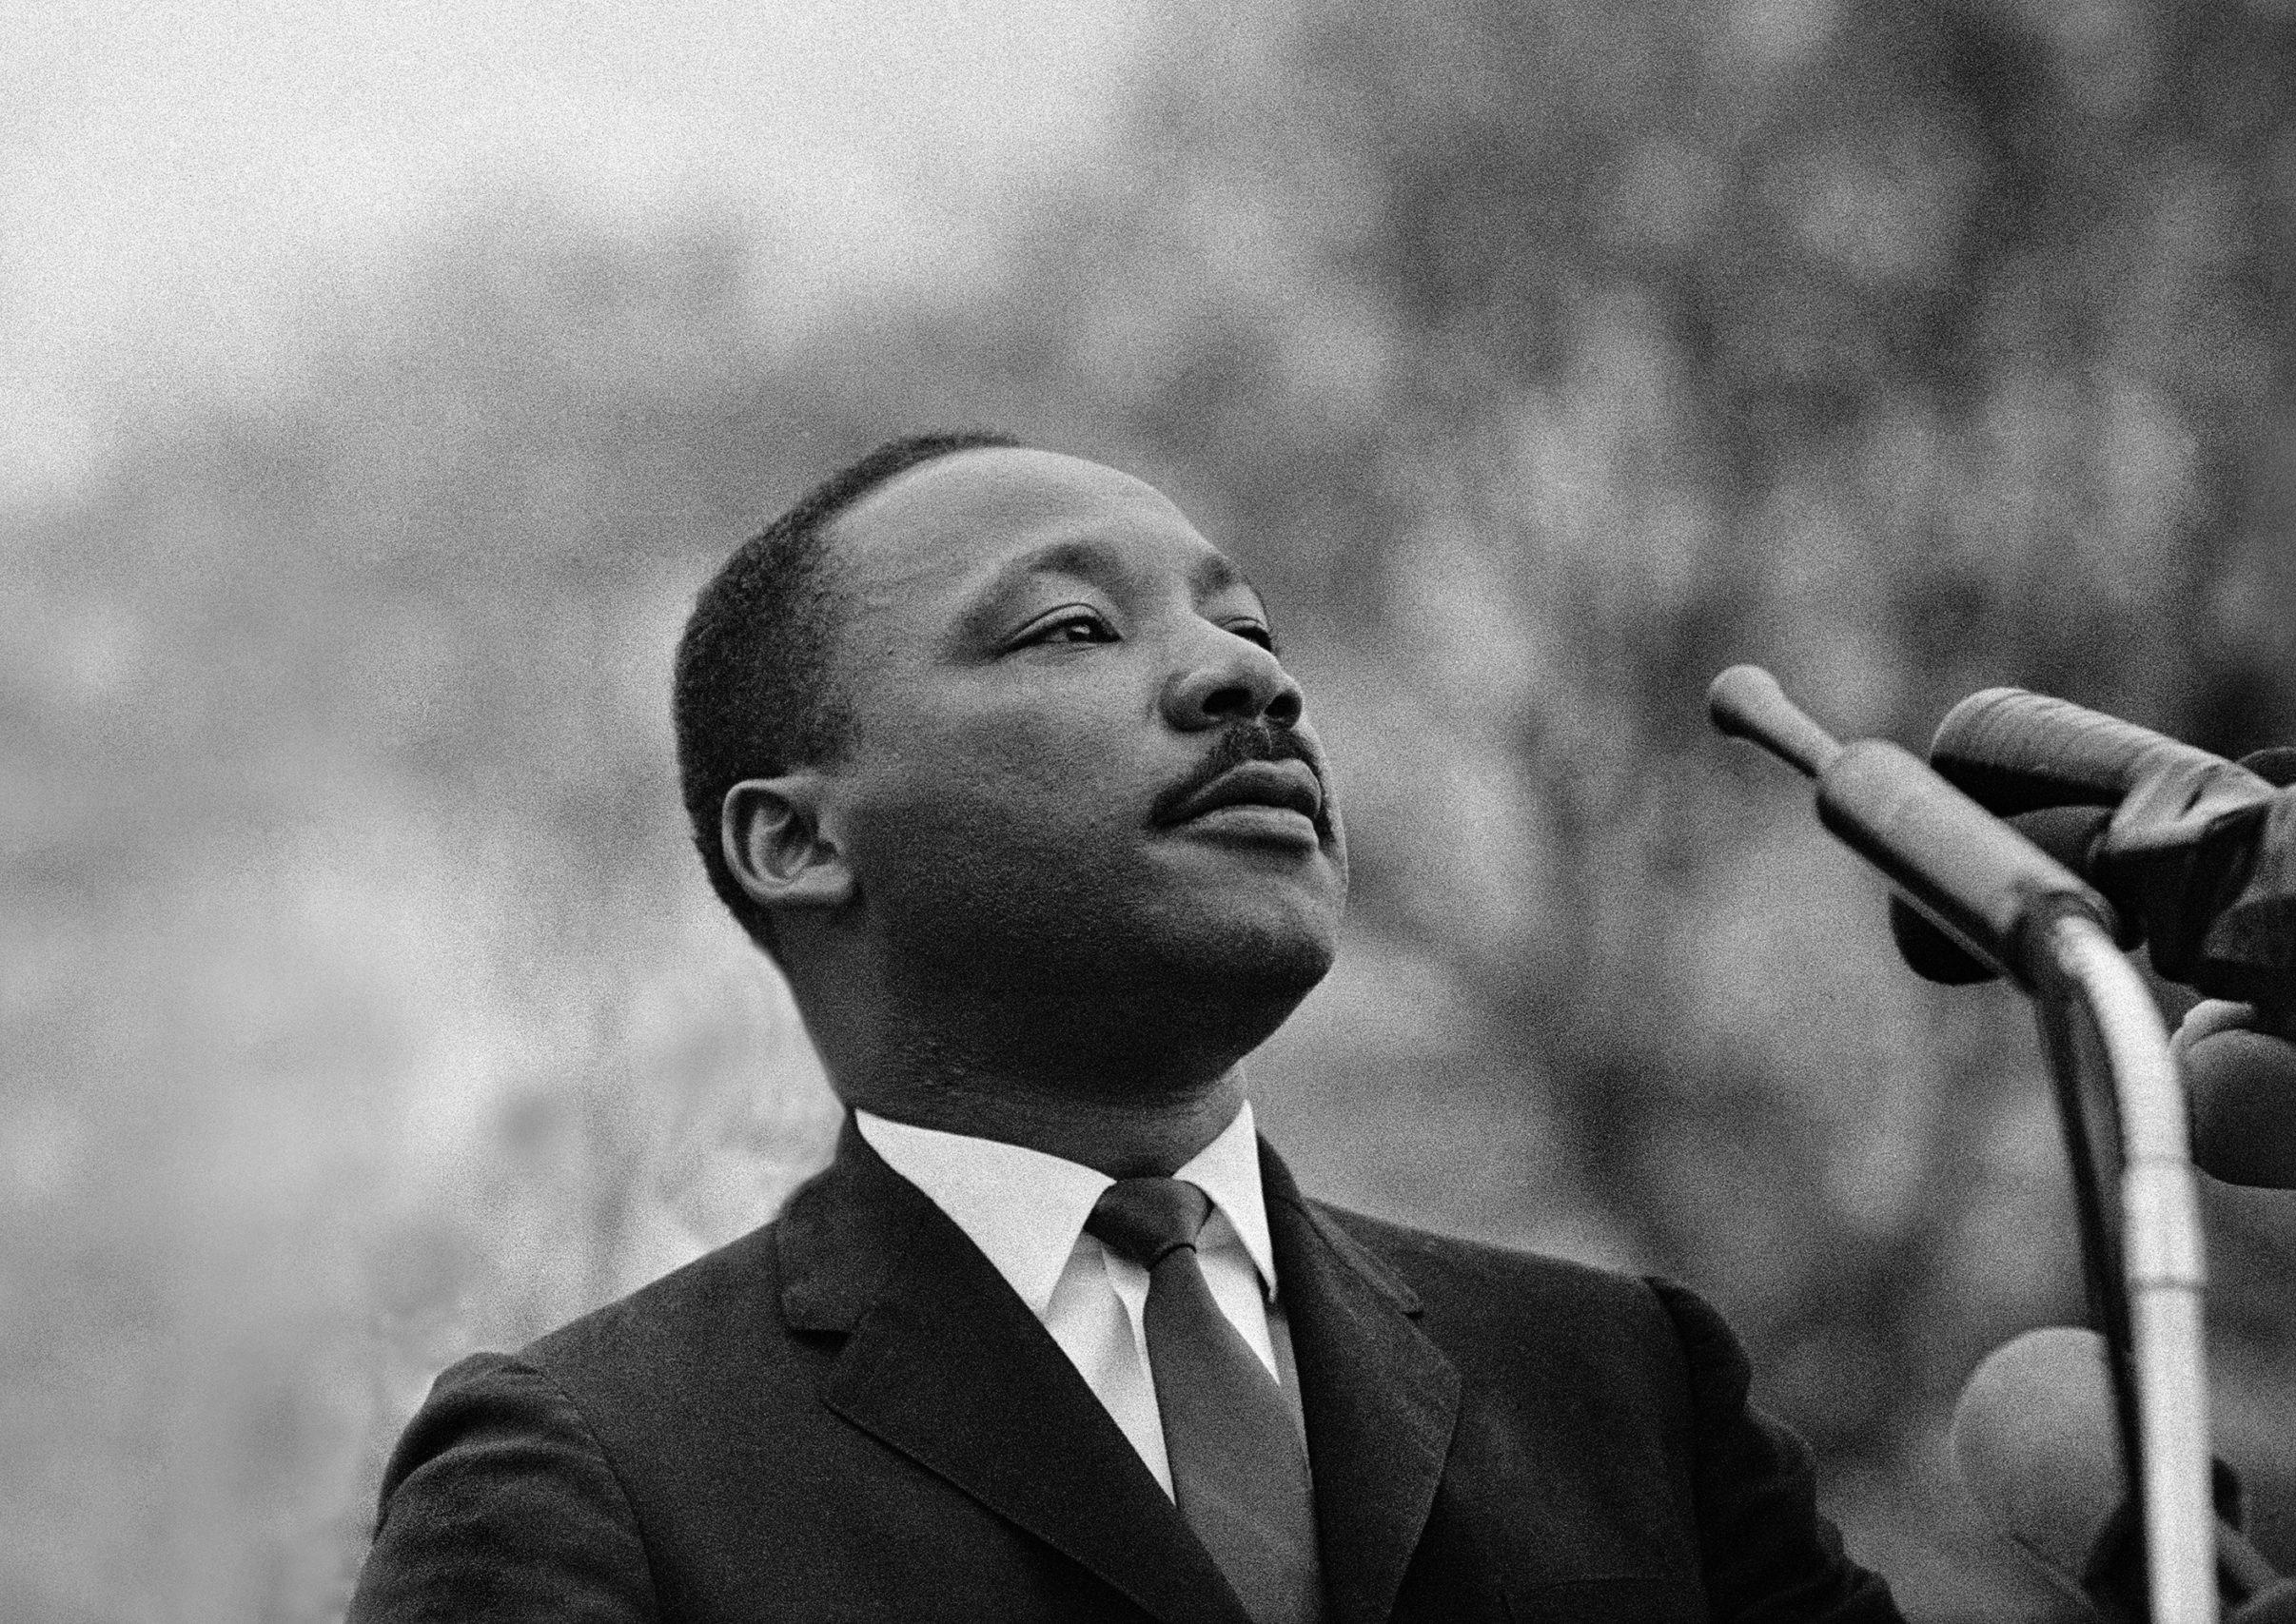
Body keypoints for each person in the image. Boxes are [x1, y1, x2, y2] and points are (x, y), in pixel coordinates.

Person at [349, 434, 1902, 1623]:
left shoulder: (1624, 1383)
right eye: (1074, 629)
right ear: (800, 843)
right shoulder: (595, 1471)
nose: (1248, 680)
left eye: (1259, 632)